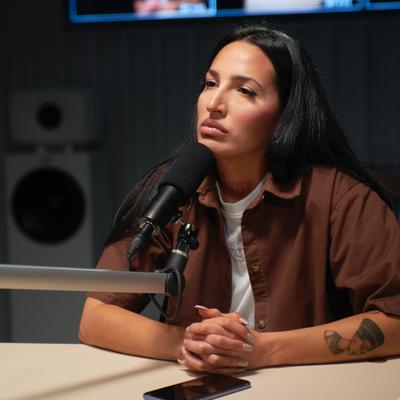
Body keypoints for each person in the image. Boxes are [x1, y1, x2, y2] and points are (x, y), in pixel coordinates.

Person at [79, 24, 400, 375]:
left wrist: (261, 350)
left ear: (285, 115)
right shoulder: (173, 188)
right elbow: (95, 316)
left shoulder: (343, 198)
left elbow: (394, 321)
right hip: (197, 386)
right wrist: (188, 342)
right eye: (210, 83)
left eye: (245, 90)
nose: (214, 104)